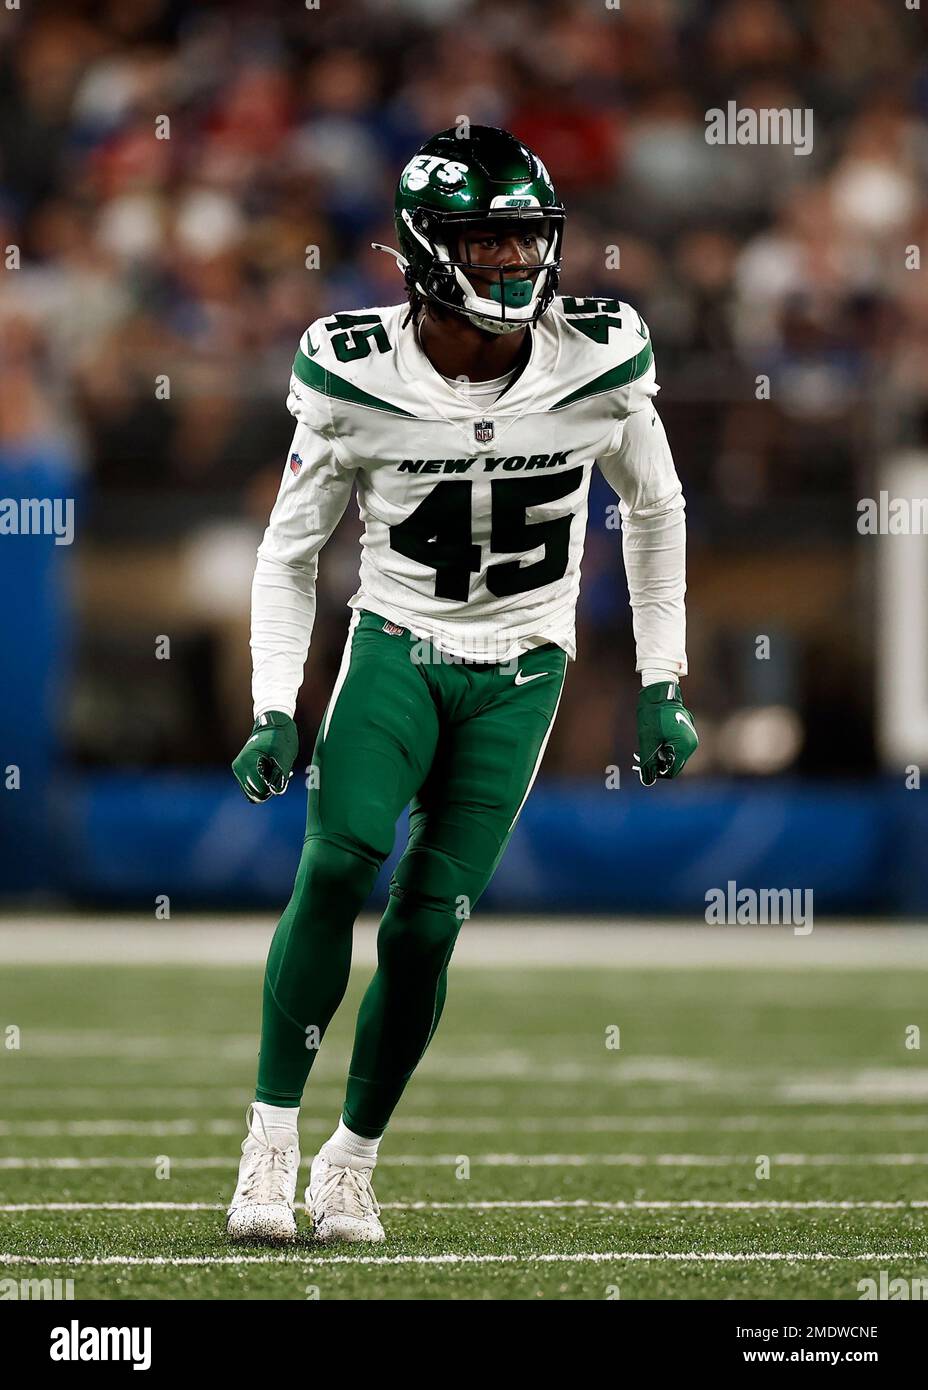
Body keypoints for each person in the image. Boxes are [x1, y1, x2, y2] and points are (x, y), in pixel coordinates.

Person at [226, 125, 698, 1245]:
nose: (511, 262)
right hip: (398, 642)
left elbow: (657, 507)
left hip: (523, 666)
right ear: (425, 248)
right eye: (486, 242)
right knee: (339, 857)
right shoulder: (351, 367)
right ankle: (267, 1142)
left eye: (527, 237)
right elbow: (290, 551)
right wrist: (272, 701)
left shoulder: (600, 356)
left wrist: (661, 676)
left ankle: (350, 1162)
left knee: (428, 927)